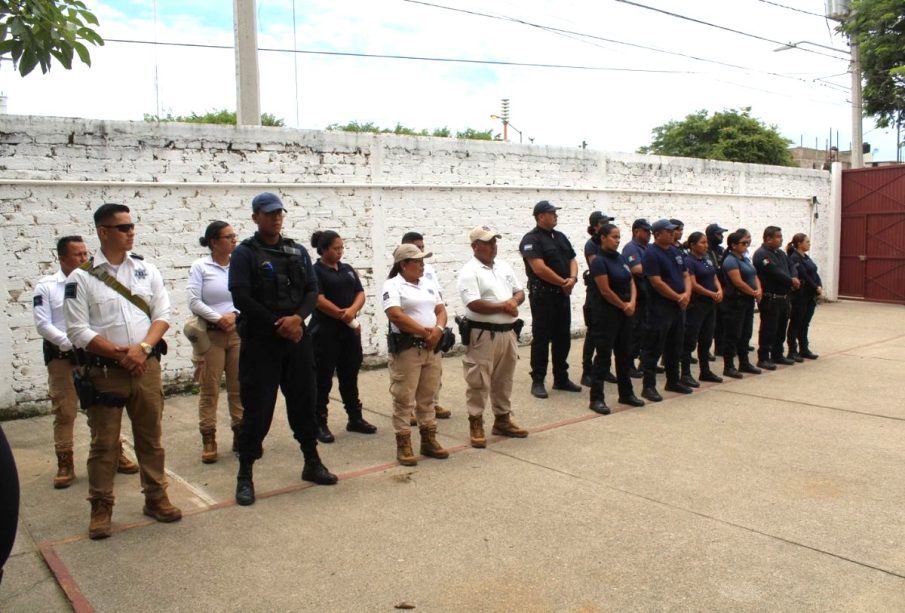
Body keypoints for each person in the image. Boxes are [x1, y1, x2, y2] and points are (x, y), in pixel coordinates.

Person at [64, 203, 181, 540]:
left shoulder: (147, 271)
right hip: (105, 372)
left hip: (145, 367)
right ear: (103, 232)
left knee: (151, 438)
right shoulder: (81, 278)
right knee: (104, 444)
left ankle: (156, 498)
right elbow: (78, 331)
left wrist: (142, 349)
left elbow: (162, 313)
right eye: (123, 227)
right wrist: (121, 353)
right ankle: (101, 507)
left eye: (132, 226)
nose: (131, 232)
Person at [229, 192, 337, 507]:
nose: (275, 218)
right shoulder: (245, 254)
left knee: (305, 402)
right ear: (255, 218)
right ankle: (245, 475)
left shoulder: (297, 250)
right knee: (257, 411)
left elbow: (312, 290)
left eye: (279, 213)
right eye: (268, 213)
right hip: (263, 343)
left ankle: (311, 462)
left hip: (297, 341)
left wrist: (298, 318)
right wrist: (280, 323)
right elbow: (241, 297)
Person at [34, 236, 139, 488]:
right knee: (65, 410)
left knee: (101, 410)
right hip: (63, 356)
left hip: (93, 356)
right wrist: (74, 341)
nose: (83, 258)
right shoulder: (47, 286)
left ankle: (114, 452)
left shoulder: (95, 280)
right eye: (76, 255)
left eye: (84, 253)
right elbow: (43, 324)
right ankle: (65, 461)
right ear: (61, 258)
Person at [456, 225, 529, 448]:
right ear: (474, 246)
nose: (492, 246)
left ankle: (503, 419)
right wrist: (504, 306)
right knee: (478, 380)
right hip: (482, 335)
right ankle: (476, 421)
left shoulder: (504, 266)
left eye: (494, 242)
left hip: (507, 333)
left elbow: (519, 291)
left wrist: (513, 302)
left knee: (504, 378)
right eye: (487, 242)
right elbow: (474, 303)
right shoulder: (470, 271)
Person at [382, 244, 449, 466]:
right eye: (417, 261)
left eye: (423, 261)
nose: (422, 265)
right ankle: (404, 444)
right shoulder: (393, 285)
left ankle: (428, 440)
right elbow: (395, 315)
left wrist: (437, 331)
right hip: (409, 349)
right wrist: (424, 332)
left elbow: (441, 310)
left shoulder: (428, 283)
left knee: (428, 396)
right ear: (403, 264)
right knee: (404, 397)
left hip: (431, 347)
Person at [310, 230, 376, 443]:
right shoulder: (315, 271)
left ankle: (354, 418)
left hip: (348, 331)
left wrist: (352, 310)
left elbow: (360, 292)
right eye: (335, 248)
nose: (340, 252)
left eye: (341, 248)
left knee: (350, 374)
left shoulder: (347, 269)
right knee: (323, 378)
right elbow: (318, 299)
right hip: (325, 332)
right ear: (324, 250)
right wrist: (342, 314)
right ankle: (319, 423)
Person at [186, 221, 242, 464]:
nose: (233, 240)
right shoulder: (201, 267)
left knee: (238, 387)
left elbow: (247, 294)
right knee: (209, 389)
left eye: (234, 236)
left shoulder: (238, 264)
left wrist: (235, 315)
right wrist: (218, 318)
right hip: (211, 335)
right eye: (228, 237)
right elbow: (193, 300)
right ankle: (208, 437)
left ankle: (241, 433)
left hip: (237, 332)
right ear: (214, 242)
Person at [519, 200, 580, 398]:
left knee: (562, 337)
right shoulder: (531, 239)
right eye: (551, 213)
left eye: (555, 212)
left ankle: (561, 378)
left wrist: (572, 278)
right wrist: (564, 282)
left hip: (562, 295)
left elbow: (572, 259)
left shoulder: (560, 237)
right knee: (542, 337)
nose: (556, 215)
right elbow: (539, 268)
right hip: (543, 296)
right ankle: (538, 380)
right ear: (540, 216)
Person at [586, 224, 645, 414]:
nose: (618, 240)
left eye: (619, 237)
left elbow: (630, 280)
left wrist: (633, 302)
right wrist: (623, 305)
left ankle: (626, 393)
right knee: (603, 356)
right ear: (603, 238)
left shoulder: (619, 258)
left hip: (625, 313)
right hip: (606, 315)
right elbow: (605, 290)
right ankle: (596, 398)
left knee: (624, 354)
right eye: (614, 236)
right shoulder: (599, 261)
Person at [639, 219, 693, 402]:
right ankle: (649, 386)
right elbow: (656, 282)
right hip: (659, 308)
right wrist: (678, 297)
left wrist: (686, 294)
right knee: (653, 347)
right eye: (669, 232)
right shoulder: (651, 254)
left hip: (679, 306)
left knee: (675, 345)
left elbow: (686, 275)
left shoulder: (675, 252)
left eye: (673, 231)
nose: (673, 234)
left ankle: (673, 380)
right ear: (658, 234)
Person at [401, 232, 451, 421]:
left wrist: (438, 327)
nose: (421, 250)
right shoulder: (399, 274)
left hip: (434, 330)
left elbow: (437, 296)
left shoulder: (428, 270)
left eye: (422, 246)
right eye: (417, 247)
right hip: (412, 334)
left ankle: (433, 403)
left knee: (434, 372)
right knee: (411, 375)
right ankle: (411, 409)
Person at [680, 232, 724, 386]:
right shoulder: (689, 261)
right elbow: (693, 284)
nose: (706, 245)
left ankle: (705, 371)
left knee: (706, 339)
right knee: (690, 340)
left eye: (706, 242)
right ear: (692, 245)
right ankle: (685, 373)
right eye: (702, 243)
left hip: (710, 305)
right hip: (697, 305)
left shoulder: (707, 259)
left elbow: (714, 277)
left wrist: (719, 290)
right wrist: (711, 293)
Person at [753, 226, 800, 370]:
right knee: (769, 327)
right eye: (778, 237)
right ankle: (764, 357)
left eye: (781, 236)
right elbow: (774, 272)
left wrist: (794, 276)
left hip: (784, 297)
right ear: (768, 239)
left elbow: (792, 265)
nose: (781, 239)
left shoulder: (780, 253)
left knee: (781, 327)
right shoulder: (762, 255)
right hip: (770, 298)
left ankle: (777, 354)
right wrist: (791, 281)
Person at [580, 211, 617, 387]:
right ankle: (587, 371)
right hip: (596, 295)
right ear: (595, 226)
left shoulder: (610, 245)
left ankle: (604, 369)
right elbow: (598, 267)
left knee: (608, 335)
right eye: (603, 222)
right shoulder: (591, 245)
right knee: (593, 335)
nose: (606, 224)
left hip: (610, 293)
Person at [720, 229, 763, 378]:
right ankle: (729, 366)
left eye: (747, 243)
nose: (746, 245)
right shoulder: (730, 260)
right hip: (735, 301)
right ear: (733, 245)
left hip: (747, 301)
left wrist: (758, 290)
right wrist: (753, 292)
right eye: (743, 243)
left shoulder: (744, 258)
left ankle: (744, 362)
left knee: (746, 333)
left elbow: (754, 274)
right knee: (733, 334)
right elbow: (737, 282)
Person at [786, 233, 822, 361]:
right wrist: (815, 287)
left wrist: (819, 285)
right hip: (800, 295)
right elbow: (804, 274)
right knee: (796, 322)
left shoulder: (806, 257)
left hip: (810, 295)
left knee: (805, 323)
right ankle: (792, 351)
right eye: (807, 241)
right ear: (799, 244)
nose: (809, 243)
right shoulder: (795, 258)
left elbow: (814, 272)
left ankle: (804, 348)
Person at [623, 218, 651, 378]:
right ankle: (628, 364)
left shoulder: (648, 248)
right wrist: (656, 266)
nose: (649, 234)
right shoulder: (631, 248)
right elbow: (637, 269)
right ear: (636, 231)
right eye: (646, 231)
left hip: (648, 296)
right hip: (637, 296)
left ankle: (644, 361)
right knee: (634, 332)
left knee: (645, 331)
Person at [705, 223, 728, 357]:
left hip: (722, 290)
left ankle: (720, 346)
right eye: (718, 234)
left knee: (721, 321)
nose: (721, 237)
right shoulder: (705, 250)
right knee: (708, 324)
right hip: (708, 291)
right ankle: (705, 350)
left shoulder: (721, 250)